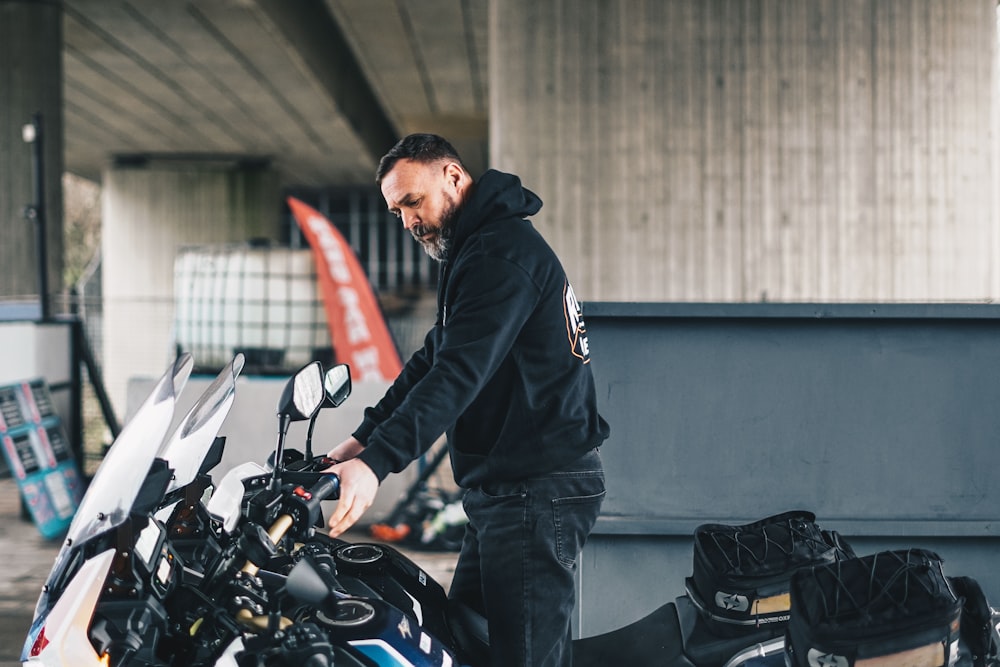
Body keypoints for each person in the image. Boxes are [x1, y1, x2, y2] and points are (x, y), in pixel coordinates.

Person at [324, 133, 610, 667]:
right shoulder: (475, 250)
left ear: (453, 177)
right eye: (396, 211)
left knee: (522, 659)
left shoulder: (501, 253)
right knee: (462, 644)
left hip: (537, 488)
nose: (408, 221)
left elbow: (458, 375)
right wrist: (360, 442)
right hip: (506, 490)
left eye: (413, 201)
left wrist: (377, 465)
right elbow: (435, 355)